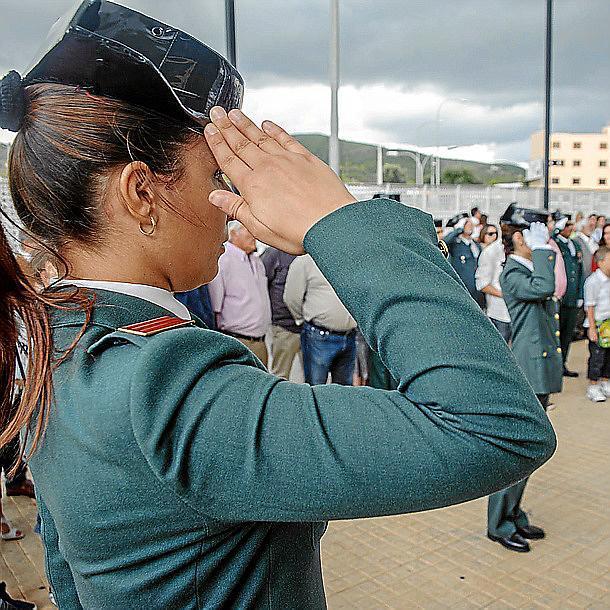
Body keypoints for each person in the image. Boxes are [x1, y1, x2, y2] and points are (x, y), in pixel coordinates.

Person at [0, 3, 555, 608]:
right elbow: (495, 428)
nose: (233, 199)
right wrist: (338, 222)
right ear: (140, 193)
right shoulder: (164, 391)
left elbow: (68, 569)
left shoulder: (61, 339)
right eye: (217, 174)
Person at [487, 210, 561, 553]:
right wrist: (543, 249)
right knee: (518, 447)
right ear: (519, 238)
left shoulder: (526, 270)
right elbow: (546, 287)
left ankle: (513, 513)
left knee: (528, 448)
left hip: (539, 367)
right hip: (530, 369)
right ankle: (498, 524)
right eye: (530, 235)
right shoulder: (513, 273)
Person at [284, 254, 357, 385]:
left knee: (345, 393)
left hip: (349, 336)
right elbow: (291, 298)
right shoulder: (305, 261)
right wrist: (303, 320)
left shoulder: (350, 259)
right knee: (316, 389)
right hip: (319, 337)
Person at [208, 221, 272, 365]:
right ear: (234, 233)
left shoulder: (256, 260)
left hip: (260, 341)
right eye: (248, 229)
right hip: (238, 341)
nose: (253, 235)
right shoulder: (223, 260)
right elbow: (215, 306)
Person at [260, 246, 302, 379]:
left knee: (309, 380)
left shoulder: (309, 252)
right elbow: (262, 285)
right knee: (280, 376)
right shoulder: (274, 254)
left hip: (310, 329)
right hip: (283, 327)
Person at [552, 216, 585, 377]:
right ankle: (554, 365)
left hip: (572, 296)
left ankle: (562, 363)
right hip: (560, 296)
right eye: (566, 225)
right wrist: (554, 230)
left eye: (571, 225)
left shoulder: (574, 244)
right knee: (556, 333)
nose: (570, 228)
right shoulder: (555, 243)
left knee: (567, 334)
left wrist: (580, 294)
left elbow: (579, 271)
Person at [584, 247, 610, 402]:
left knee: (608, 356)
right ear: (600, 262)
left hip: (608, 323)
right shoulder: (593, 281)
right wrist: (592, 328)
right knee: (597, 356)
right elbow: (590, 306)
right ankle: (593, 385)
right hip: (598, 324)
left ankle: (605, 381)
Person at [475, 230, 511, 343]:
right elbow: (482, 284)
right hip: (500, 313)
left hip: (519, 313)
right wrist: (506, 295)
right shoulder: (491, 251)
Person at [444, 215, 484, 307]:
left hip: (476, 288)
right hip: (462, 286)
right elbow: (443, 243)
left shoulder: (476, 245)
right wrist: (458, 230)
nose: (470, 227)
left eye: (471, 225)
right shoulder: (455, 244)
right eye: (467, 224)